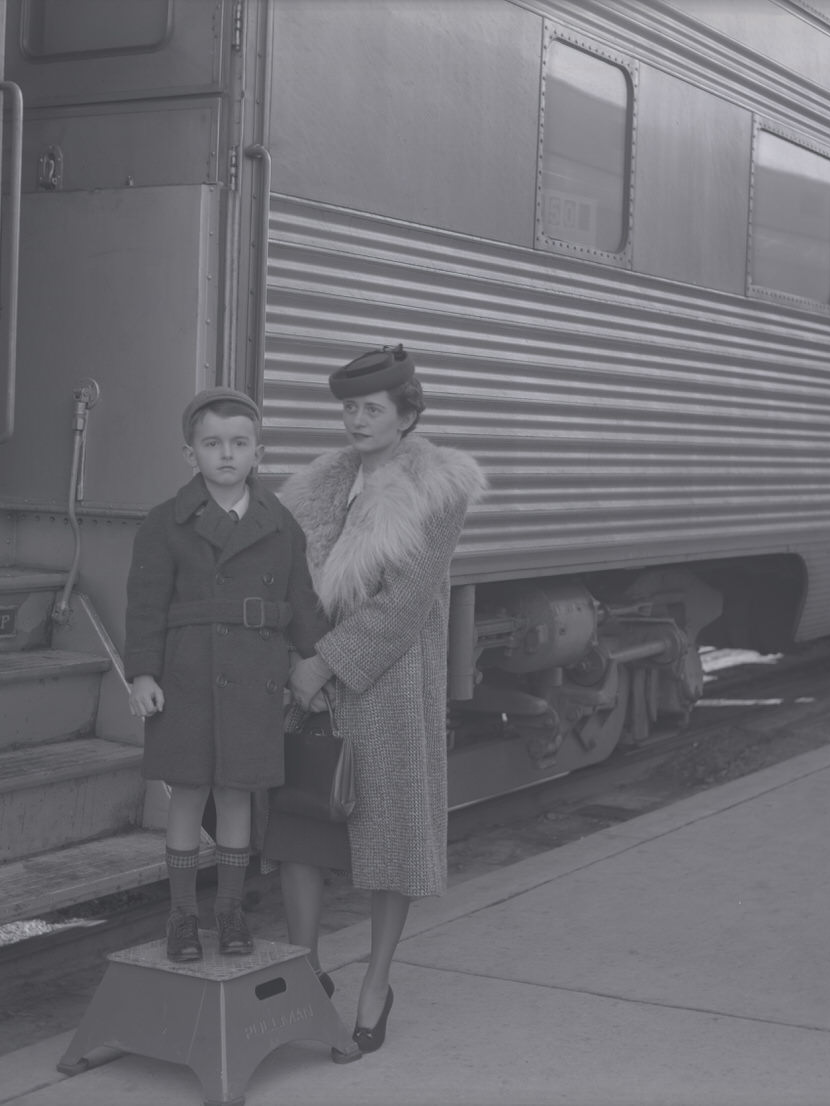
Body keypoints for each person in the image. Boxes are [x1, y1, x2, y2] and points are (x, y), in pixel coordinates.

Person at [272, 345, 487, 1055]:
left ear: (408, 414)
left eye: (372, 409)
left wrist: (325, 664)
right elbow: (289, 586)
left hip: (386, 689)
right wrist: (299, 662)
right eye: (349, 408)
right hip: (313, 683)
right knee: (301, 830)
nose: (356, 419)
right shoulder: (319, 484)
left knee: (389, 841)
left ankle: (375, 981)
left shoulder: (437, 487)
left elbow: (406, 605)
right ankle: (304, 971)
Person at [124, 387, 326, 962]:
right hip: (186, 678)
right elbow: (144, 605)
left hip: (255, 676)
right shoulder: (165, 523)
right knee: (187, 795)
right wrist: (142, 674)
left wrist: (315, 663)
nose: (227, 455)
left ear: (259, 453)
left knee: (239, 797)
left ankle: (231, 911)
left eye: (239, 444)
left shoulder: (280, 524)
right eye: (212, 444)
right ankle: (183, 917)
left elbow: (301, 599)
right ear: (191, 456)